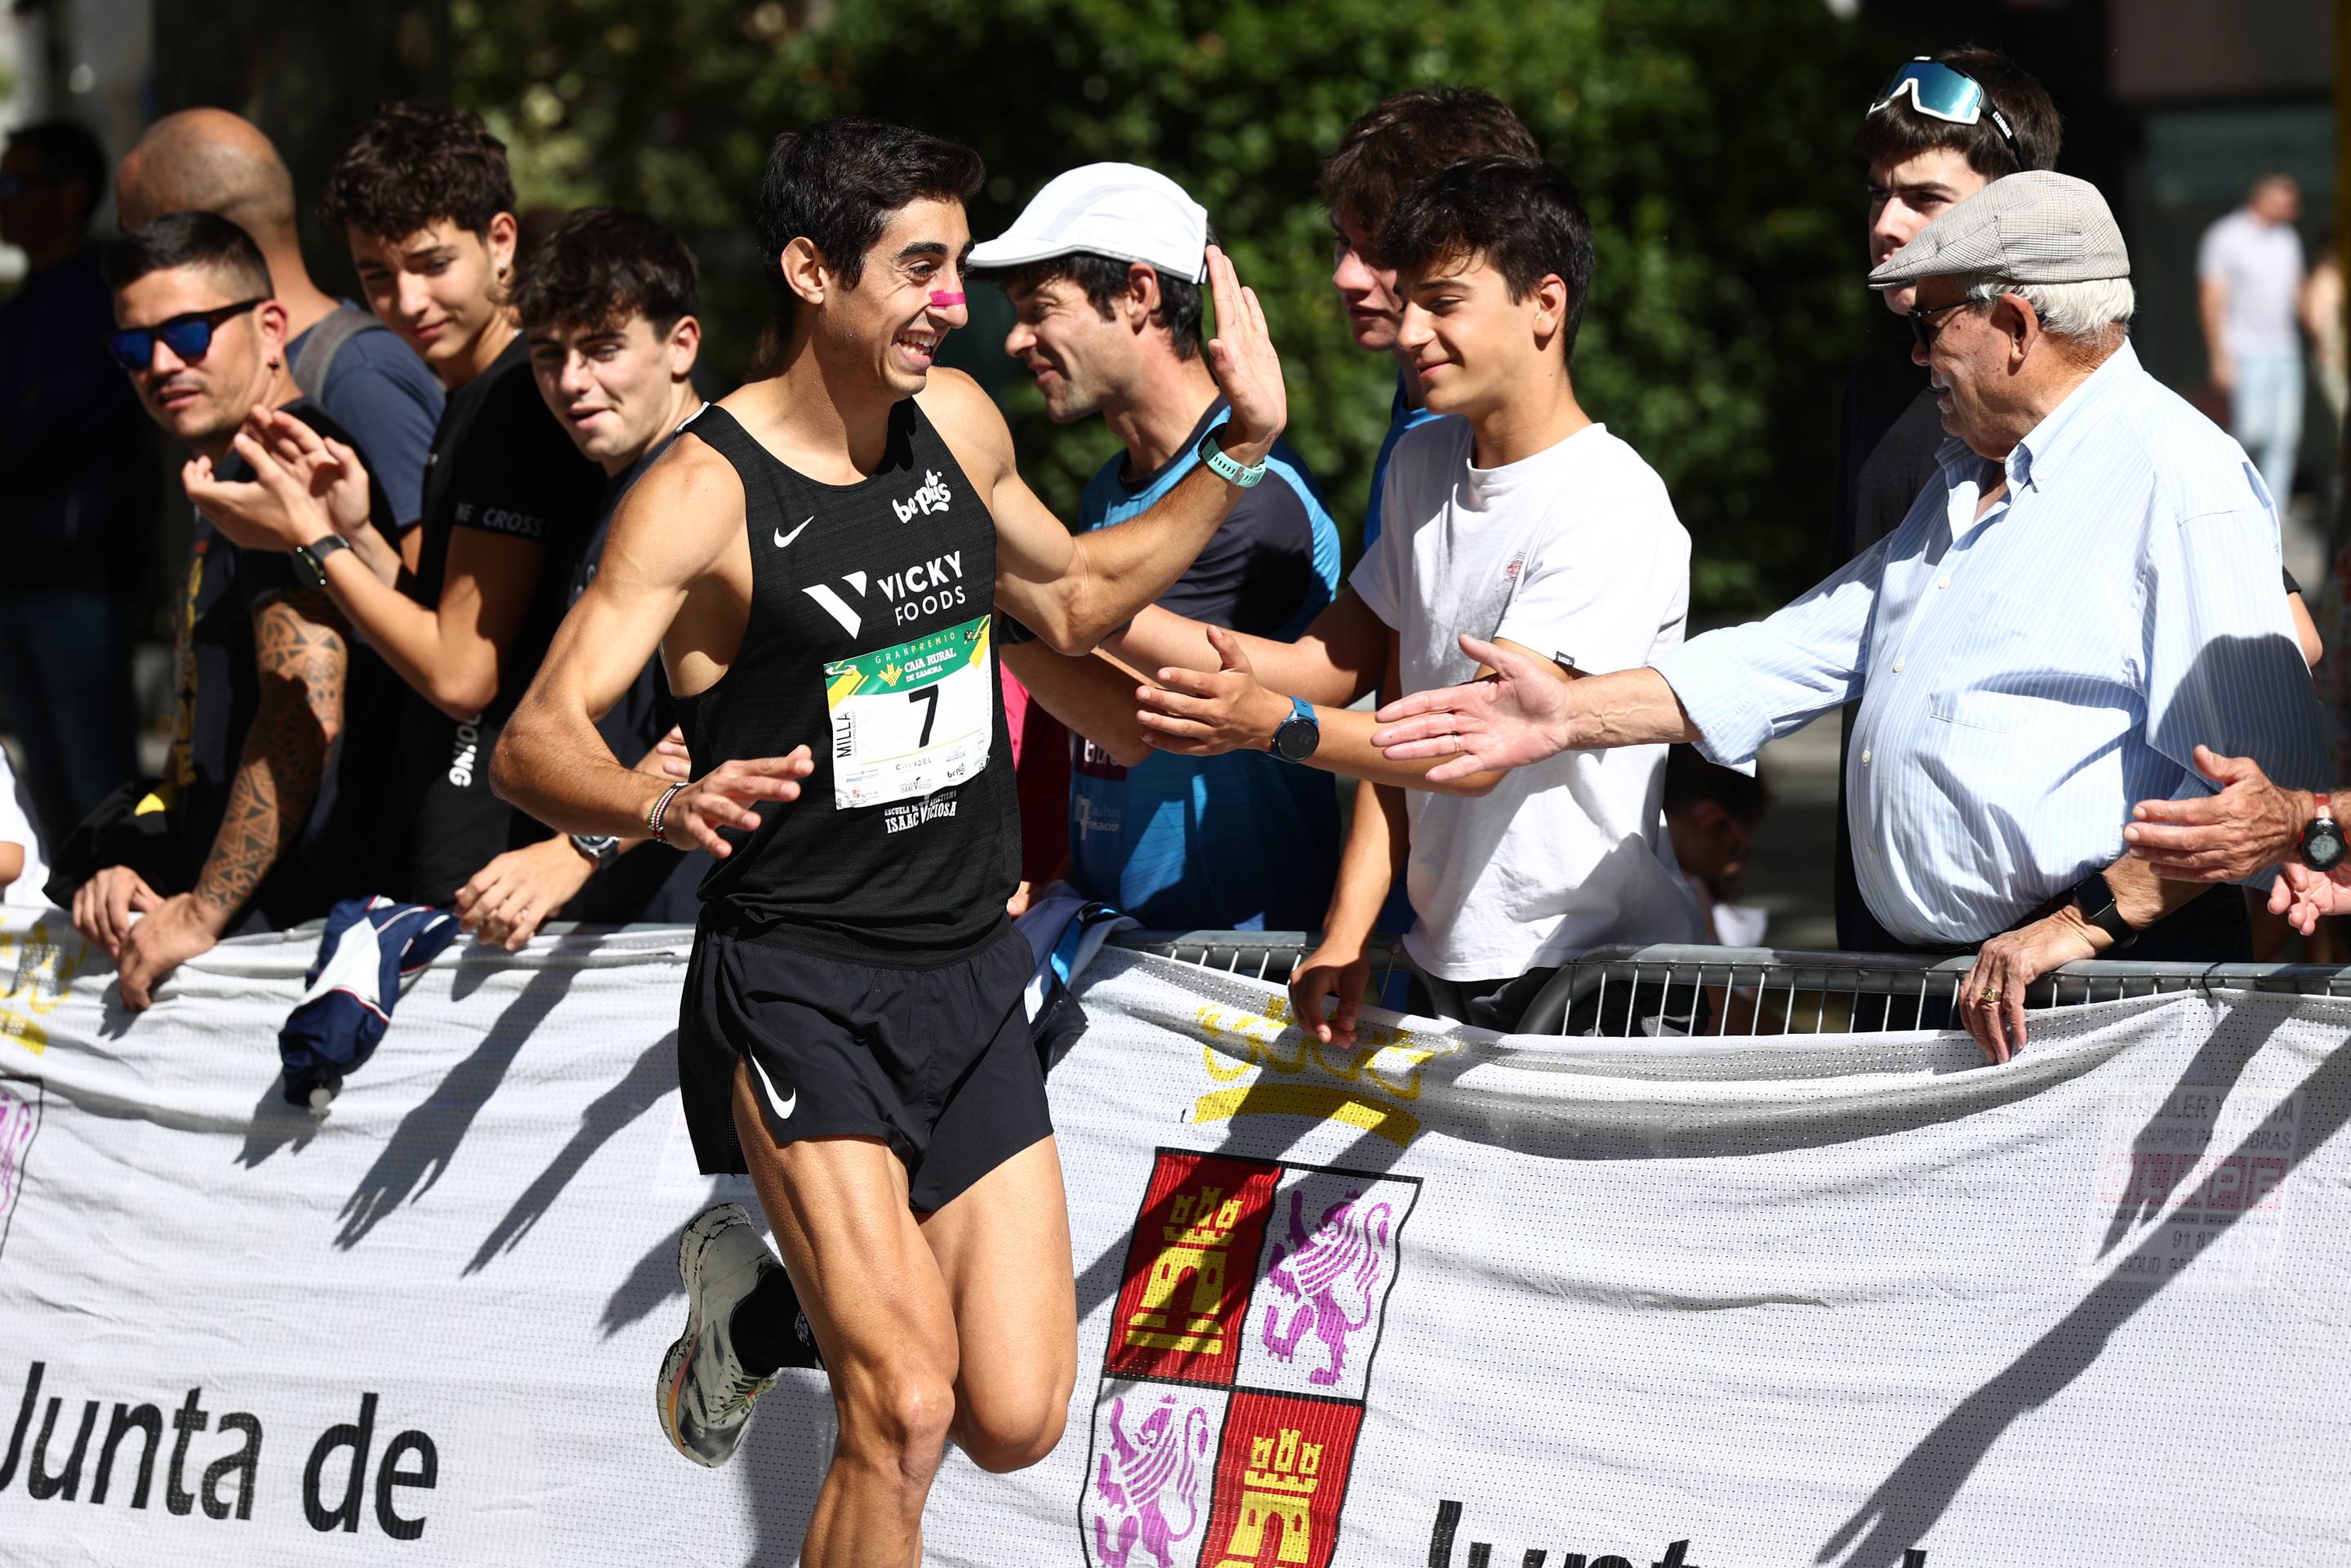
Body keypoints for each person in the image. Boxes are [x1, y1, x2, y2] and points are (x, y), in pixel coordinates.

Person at [490, 117, 1290, 1565]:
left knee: (1015, 1412)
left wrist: (1239, 446)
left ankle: (767, 1308)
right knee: (904, 1407)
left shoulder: (958, 427)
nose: (953, 303)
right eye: (919, 269)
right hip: (798, 983)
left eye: (958, 270)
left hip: (968, 974)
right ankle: (808, 1316)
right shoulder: (702, 491)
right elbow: (534, 739)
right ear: (810, 269)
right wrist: (657, 806)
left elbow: (1077, 597)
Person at [1370, 172, 2328, 1065]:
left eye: (1930, 326)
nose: (1917, 360)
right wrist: (1566, 713)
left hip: (2099, 999)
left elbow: (2264, 795)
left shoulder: (2175, 475)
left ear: (2015, 323)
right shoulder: (1970, 478)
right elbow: (1795, 651)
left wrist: (2077, 928)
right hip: (1963, 987)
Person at [1107, 154, 1704, 1038]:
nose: (1409, 329)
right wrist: (1070, 608)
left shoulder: (1609, 500)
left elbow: (1470, 749)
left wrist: (1271, 724)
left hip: (1591, 986)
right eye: (1408, 299)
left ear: (1546, 304)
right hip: (1437, 967)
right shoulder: (1421, 467)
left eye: (1444, 301)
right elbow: (1335, 680)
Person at [186, 102, 605, 912]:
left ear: (502, 242)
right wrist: (351, 529)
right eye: (377, 275)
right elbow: (449, 621)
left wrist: (312, 539)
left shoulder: (519, 399)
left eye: (432, 263)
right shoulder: (471, 395)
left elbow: (461, 674)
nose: (407, 301)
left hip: (517, 854)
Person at [969, 162, 1342, 929]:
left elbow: (1139, 716)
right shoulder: (1110, 487)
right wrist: (1071, 875)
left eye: (1040, 309)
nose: (1015, 340)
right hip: (1124, 939)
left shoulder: (1258, 498)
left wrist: (1003, 588)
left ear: (1138, 295)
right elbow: (1105, 736)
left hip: (1235, 964)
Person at [62, 212, 386, 1009]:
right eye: (134, 348)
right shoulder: (233, 476)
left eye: (189, 334)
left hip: (294, 948)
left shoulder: (289, 465)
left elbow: (303, 701)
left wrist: (205, 909)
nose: (161, 365)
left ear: (270, 326)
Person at [1832, 51, 2061, 954]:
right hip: (1882, 919)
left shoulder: (2075, 376)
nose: (1885, 224)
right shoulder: (1872, 385)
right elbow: (1847, 630)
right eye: (1876, 194)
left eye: (1923, 200)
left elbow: (2281, 629)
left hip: (2031, 951)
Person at [1321, 87, 1542, 939]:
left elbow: (1415, 720)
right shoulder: (1417, 433)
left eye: (1373, 251)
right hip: (1420, 908)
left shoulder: (1463, 431)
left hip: (1509, 936)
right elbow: (1380, 677)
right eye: (1340, 244)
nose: (1345, 276)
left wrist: (1273, 725)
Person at [116, 109, 444, 539]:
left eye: (136, 233)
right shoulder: (245, 381)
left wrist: (312, 550)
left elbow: (425, 596)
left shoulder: (357, 377)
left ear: (190, 228)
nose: (161, 362)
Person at [0, 120, 149, 850]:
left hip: (81, 580)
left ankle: (122, 931)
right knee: (48, 799)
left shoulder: (102, 302)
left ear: (72, 196)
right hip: (21, 576)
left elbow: (49, 426)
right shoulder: (22, 303)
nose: (3, 202)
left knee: (99, 793)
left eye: (17, 184)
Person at [2201, 174, 2308, 508]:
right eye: (2283, 202)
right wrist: (2219, 354)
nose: (2288, 211)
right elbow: (2212, 297)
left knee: (2285, 438)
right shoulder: (2226, 236)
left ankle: (2274, 511)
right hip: (2245, 350)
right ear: (2262, 197)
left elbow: (2298, 290)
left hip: (2286, 349)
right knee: (2250, 433)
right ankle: (2236, 503)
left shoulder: (2287, 239)